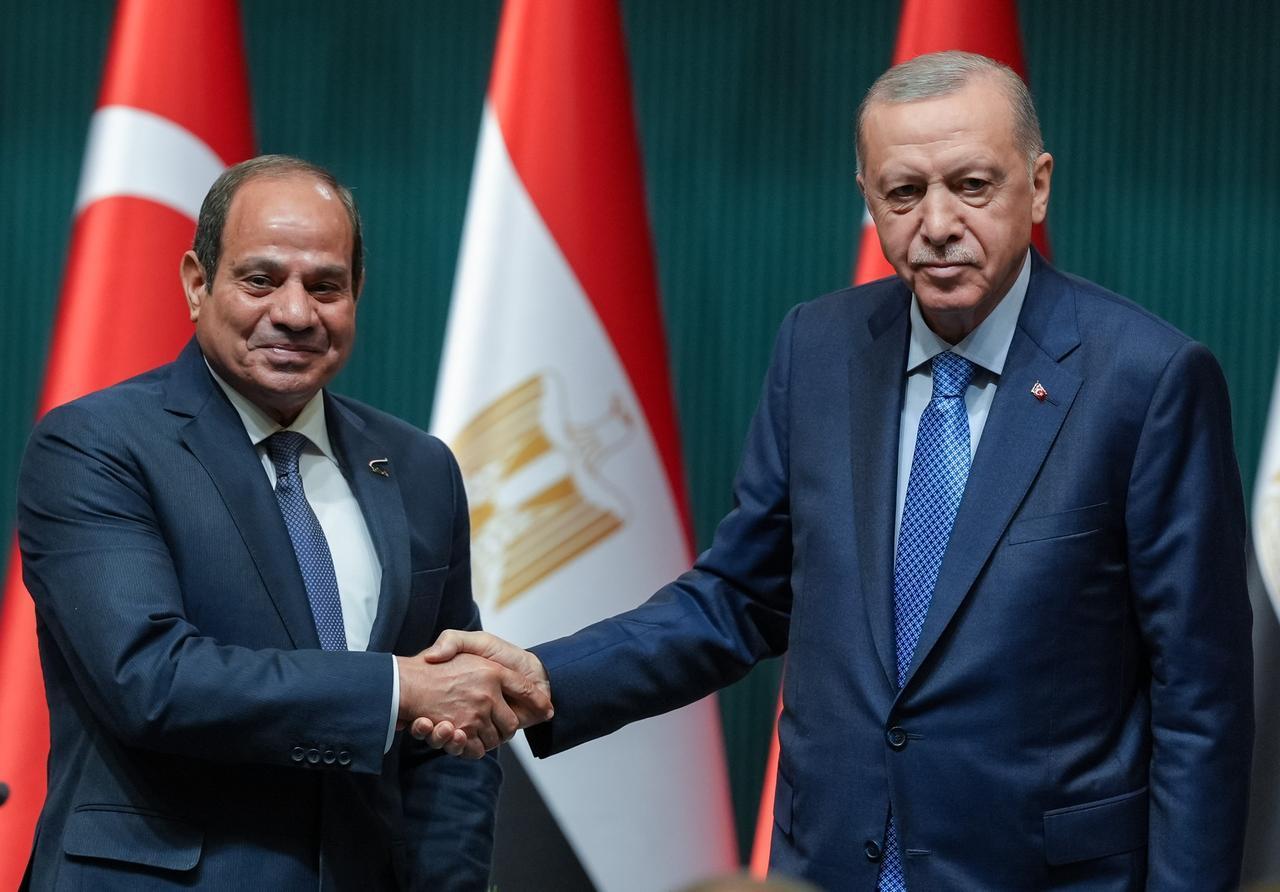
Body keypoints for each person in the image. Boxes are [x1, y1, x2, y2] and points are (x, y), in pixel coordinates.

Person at [417, 52, 1255, 890]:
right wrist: (548, 676)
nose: (936, 222)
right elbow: (742, 596)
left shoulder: (1146, 380)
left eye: (971, 185)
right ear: (867, 198)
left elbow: (1200, 696)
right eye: (903, 192)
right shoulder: (817, 349)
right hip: (830, 864)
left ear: (1036, 186)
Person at [16, 155, 550, 890]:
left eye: (325, 286)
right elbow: (149, 679)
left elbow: (453, 732)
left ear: (356, 293)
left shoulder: (419, 467)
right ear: (198, 284)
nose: (296, 313)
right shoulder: (97, 445)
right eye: (261, 279)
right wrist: (393, 691)